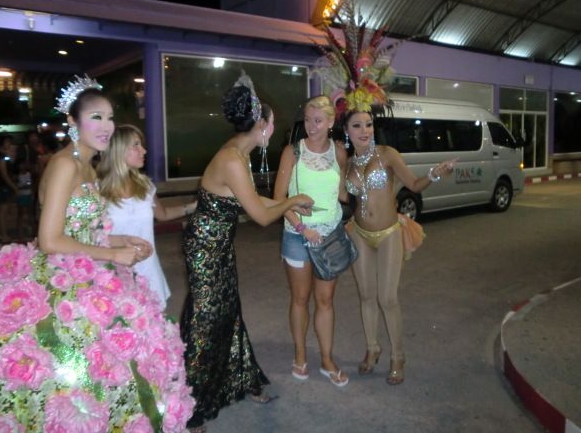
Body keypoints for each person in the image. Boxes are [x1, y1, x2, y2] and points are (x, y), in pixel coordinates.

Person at [0, 76, 194, 432]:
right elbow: (50, 239)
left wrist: (119, 239)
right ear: (73, 121)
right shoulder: (64, 165)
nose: (106, 126)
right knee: (70, 365)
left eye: (109, 117)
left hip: (89, 266)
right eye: (95, 117)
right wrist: (113, 255)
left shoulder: (87, 165)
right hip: (63, 273)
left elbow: (81, 228)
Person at [180, 72, 313, 432]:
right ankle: (189, 406)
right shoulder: (233, 159)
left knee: (229, 312)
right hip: (205, 249)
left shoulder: (238, 153)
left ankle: (241, 379)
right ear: (262, 125)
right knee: (207, 320)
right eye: (272, 122)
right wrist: (291, 202)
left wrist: (287, 203)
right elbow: (261, 217)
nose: (273, 128)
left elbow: (253, 201)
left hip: (218, 244)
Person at [344, 108, 455, 385]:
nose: (365, 130)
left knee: (387, 298)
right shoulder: (347, 163)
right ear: (346, 130)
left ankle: (398, 356)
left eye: (369, 124)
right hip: (359, 233)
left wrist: (435, 173)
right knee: (366, 296)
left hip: (388, 233)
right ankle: (373, 348)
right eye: (357, 125)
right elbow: (344, 198)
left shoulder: (387, 154)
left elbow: (414, 185)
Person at [273, 95, 349, 387]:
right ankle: (300, 354)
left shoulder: (339, 152)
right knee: (300, 299)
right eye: (307, 119)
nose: (311, 126)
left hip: (329, 236)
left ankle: (327, 359)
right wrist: (302, 228)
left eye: (318, 120)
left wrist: (367, 189)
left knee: (326, 300)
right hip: (297, 235)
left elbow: (342, 194)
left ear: (331, 122)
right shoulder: (292, 152)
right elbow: (279, 199)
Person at [98, 124, 197, 307]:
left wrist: (193, 207)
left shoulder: (145, 186)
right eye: (136, 145)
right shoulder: (98, 191)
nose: (143, 150)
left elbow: (163, 214)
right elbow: (91, 236)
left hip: (148, 269)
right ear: (119, 150)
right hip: (113, 271)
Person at [0, 135, 17, 243]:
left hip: (0, 185)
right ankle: (4, 234)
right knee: (3, 211)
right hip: (2, 186)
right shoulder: (1, 156)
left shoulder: (0, 155)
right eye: (7, 142)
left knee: (2, 210)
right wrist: (13, 187)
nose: (9, 144)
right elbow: (4, 174)